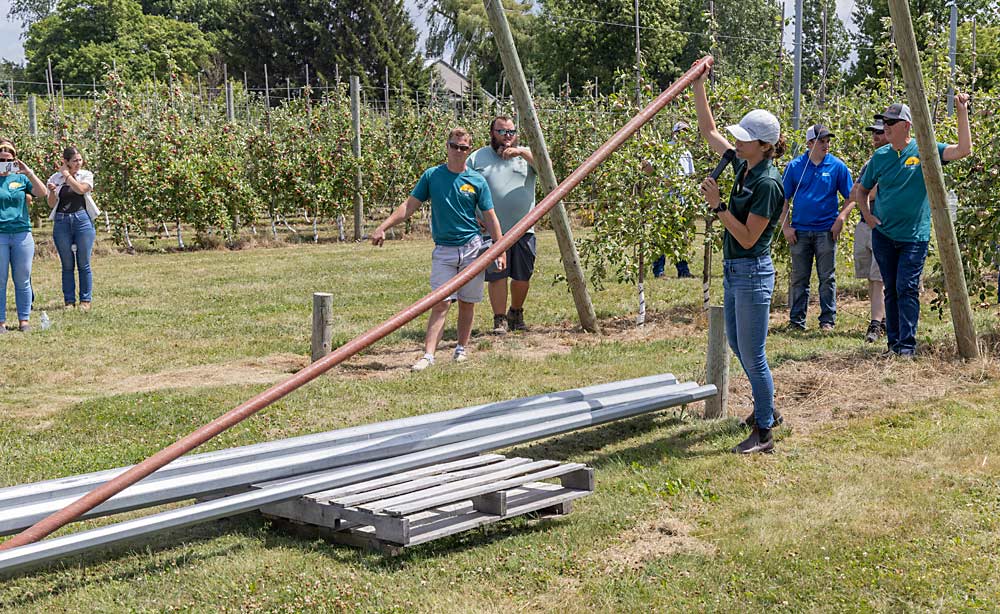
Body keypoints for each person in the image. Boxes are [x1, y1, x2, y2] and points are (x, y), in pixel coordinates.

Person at [693, 67, 786, 454]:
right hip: (736, 274)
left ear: (764, 146)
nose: (736, 142)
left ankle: (764, 432)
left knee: (754, 355)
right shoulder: (743, 164)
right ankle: (769, 410)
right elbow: (709, 131)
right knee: (737, 344)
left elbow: (748, 237)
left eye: (745, 139)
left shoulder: (766, 183)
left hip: (751, 272)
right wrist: (699, 85)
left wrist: (717, 206)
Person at [371, 127, 506, 370]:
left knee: (467, 302)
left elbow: (491, 216)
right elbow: (409, 206)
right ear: (447, 147)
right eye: (454, 146)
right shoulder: (432, 176)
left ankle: (461, 349)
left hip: (472, 248)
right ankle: (429, 355)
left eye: (463, 147)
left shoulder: (476, 180)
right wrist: (383, 226)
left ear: (468, 151)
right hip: (444, 250)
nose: (458, 151)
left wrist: (500, 248)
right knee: (441, 302)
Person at [854, 96, 972, 357]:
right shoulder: (880, 156)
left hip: (914, 237)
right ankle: (893, 345)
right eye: (884, 121)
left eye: (891, 122)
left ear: (907, 125)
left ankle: (906, 347)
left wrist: (962, 112)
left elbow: (963, 150)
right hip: (884, 236)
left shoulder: (925, 150)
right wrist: (869, 218)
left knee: (906, 287)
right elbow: (860, 192)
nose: (885, 126)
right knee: (891, 289)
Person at [780, 124, 854, 331]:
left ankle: (827, 320)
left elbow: (851, 197)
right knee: (799, 278)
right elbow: (783, 200)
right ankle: (796, 321)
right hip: (800, 231)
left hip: (826, 231)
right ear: (809, 143)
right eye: (821, 141)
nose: (826, 144)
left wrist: (841, 218)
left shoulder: (837, 166)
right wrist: (785, 227)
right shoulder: (795, 167)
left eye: (828, 140)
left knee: (827, 278)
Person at [468, 116, 537, 334]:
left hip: (524, 227)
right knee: (497, 274)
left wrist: (522, 153)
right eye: (501, 132)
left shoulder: (526, 155)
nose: (507, 137)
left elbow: (547, 168)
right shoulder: (477, 158)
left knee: (522, 276)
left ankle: (515, 312)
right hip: (491, 229)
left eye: (511, 132)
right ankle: (499, 319)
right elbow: (464, 187)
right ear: (492, 133)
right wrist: (472, 215)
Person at [836, 118, 889, 343]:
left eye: (880, 132)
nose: (875, 136)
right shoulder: (871, 163)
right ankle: (882, 318)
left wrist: (865, 192)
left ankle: (876, 323)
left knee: (879, 278)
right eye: (873, 132)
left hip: (883, 225)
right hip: (865, 224)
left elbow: (872, 193)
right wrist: (864, 193)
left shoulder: (892, 161)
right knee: (872, 277)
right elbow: (855, 193)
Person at [0, 139, 47, 333]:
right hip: (0, 235)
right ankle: (1, 322)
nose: (4, 163)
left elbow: (42, 193)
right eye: (1, 159)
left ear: (15, 159)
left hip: (21, 234)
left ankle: (24, 320)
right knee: (0, 280)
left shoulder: (20, 178)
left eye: (8, 159)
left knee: (22, 278)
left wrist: (29, 173)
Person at [47, 146, 96, 311]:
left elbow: (81, 190)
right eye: (75, 160)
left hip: (82, 219)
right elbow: (51, 204)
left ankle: (85, 301)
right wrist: (53, 192)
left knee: (84, 263)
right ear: (66, 162)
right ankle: (69, 301)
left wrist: (67, 175)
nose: (78, 163)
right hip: (61, 221)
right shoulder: (55, 178)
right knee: (67, 264)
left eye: (80, 159)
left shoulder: (86, 175)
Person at [651, 121, 696, 279]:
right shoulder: (665, 149)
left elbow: (690, 176)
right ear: (674, 133)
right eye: (681, 132)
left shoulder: (687, 153)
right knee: (661, 235)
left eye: (686, 133)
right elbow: (653, 171)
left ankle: (683, 270)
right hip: (665, 198)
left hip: (681, 200)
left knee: (680, 236)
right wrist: (664, 183)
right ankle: (659, 271)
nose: (683, 136)